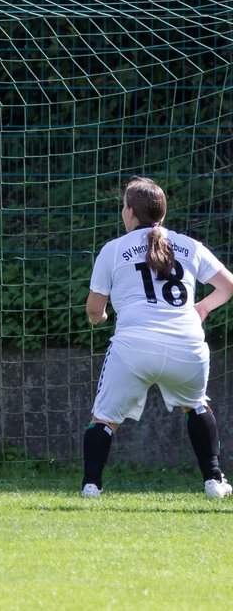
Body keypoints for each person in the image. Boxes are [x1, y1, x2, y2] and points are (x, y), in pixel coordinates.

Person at [82, 176, 233, 498]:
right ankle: (215, 482)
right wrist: (202, 309)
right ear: (162, 214)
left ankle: (91, 486)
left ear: (131, 213)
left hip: (134, 347)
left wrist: (101, 317)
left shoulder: (113, 249)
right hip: (187, 345)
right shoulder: (190, 245)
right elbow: (229, 286)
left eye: (124, 206)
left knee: (105, 419)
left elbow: (95, 308)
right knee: (196, 406)